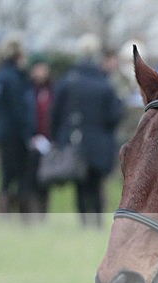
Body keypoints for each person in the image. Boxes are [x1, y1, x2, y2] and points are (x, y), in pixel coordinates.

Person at [51, 33, 123, 228]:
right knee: (96, 183)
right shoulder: (105, 84)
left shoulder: (68, 81)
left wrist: (57, 138)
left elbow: (55, 113)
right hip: (100, 143)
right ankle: (97, 222)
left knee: (80, 186)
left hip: (76, 141)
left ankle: (83, 222)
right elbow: (114, 116)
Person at [0, 33, 31, 217]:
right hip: (15, 134)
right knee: (20, 174)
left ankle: (4, 211)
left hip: (3, 131)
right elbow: (18, 110)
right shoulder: (15, 78)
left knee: (6, 175)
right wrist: (27, 133)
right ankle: (19, 214)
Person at [23, 54, 53, 220]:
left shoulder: (51, 91)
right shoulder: (27, 91)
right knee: (30, 180)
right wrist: (29, 137)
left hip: (48, 143)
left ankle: (43, 215)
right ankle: (29, 215)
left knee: (45, 181)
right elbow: (22, 117)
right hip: (32, 142)